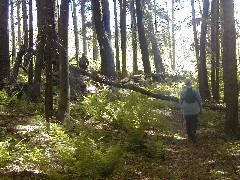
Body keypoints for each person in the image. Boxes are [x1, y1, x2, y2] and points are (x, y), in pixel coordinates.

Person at [180, 78, 202, 143]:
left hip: (186, 108)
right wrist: (201, 108)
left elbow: (181, 101)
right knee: (194, 120)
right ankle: (193, 132)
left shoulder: (183, 91)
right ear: (191, 83)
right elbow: (199, 100)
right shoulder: (195, 91)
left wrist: (182, 108)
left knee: (188, 121)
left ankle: (189, 135)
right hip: (194, 108)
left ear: (185, 83)